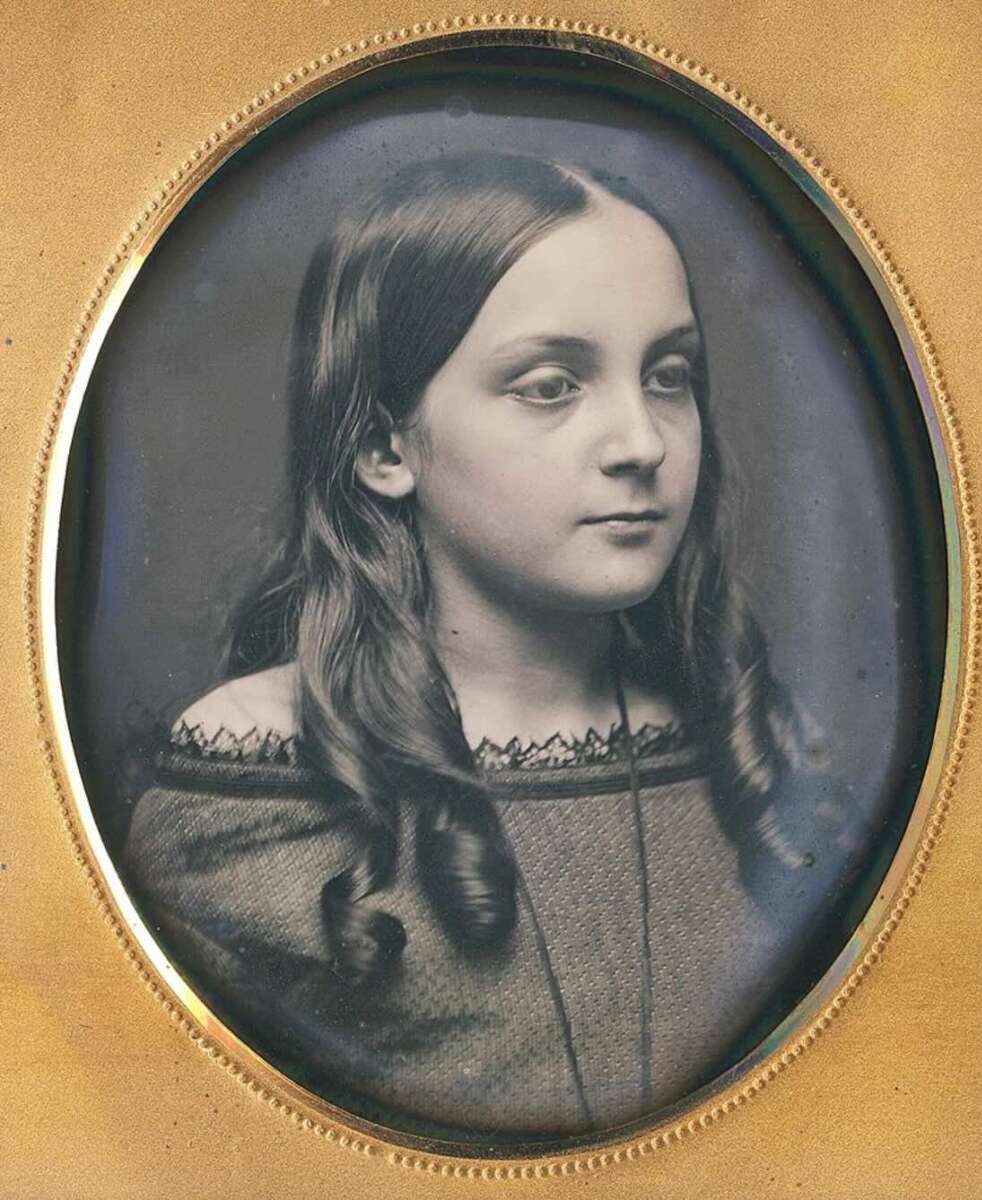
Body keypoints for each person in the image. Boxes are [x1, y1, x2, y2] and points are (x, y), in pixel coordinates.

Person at [123, 152, 859, 1144]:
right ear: (385, 448)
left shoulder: (741, 738)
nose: (640, 440)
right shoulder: (261, 783)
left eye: (668, 376)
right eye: (550, 386)